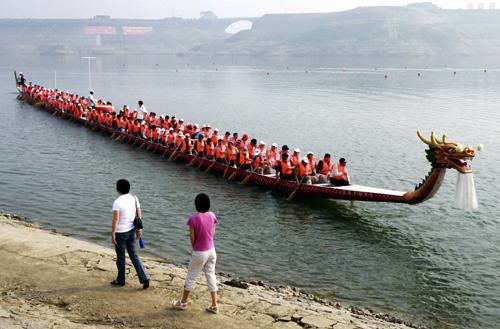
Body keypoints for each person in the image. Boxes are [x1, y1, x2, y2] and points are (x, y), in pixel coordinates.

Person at [173, 193, 219, 314]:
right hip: (212, 251)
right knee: (210, 275)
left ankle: (183, 302)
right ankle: (214, 304)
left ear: (196, 205)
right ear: (208, 205)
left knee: (191, 276)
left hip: (200, 252)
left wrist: (195, 248)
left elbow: (192, 238)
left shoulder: (193, 219)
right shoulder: (212, 215)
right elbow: (213, 232)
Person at [111, 179, 149, 289]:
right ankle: (144, 278)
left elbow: (115, 219)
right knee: (134, 255)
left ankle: (121, 280)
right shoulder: (134, 198)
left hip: (120, 233)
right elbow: (139, 214)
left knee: (121, 257)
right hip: (132, 230)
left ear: (118, 189)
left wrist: (113, 233)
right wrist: (139, 229)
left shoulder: (117, 202)